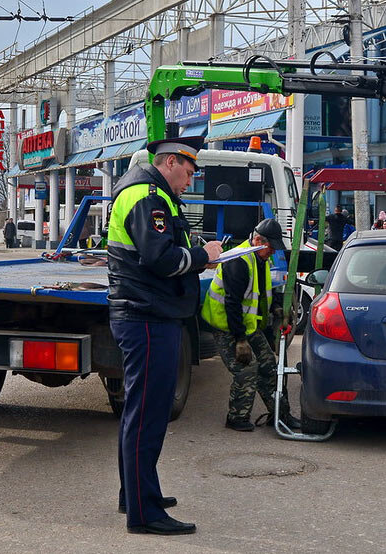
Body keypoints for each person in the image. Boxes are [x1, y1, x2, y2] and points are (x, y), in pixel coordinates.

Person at [107, 135, 223, 536]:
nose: (189, 181)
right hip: (148, 315)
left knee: (139, 412)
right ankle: (145, 513)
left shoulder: (153, 194)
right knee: (148, 415)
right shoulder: (148, 197)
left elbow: (163, 250)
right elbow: (160, 259)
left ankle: (135, 494)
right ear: (170, 162)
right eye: (188, 173)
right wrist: (203, 257)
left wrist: (197, 254)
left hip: (147, 313)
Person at [201, 218, 302, 432]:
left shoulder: (260, 258)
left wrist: (276, 307)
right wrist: (240, 340)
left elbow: (263, 292)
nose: (272, 252)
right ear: (257, 241)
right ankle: (236, 418)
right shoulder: (238, 261)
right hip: (226, 326)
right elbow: (233, 304)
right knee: (246, 369)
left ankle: (280, 415)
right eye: (271, 248)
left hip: (248, 325)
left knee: (270, 366)